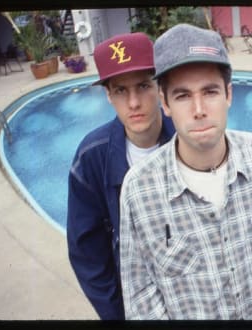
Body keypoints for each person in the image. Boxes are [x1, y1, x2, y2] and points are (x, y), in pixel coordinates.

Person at [119, 23, 252, 319]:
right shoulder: (140, 188)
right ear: (165, 103)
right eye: (182, 96)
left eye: (210, 92)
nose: (198, 109)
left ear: (229, 95)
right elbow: (141, 294)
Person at [67, 32, 175, 320]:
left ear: (160, 85)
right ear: (108, 95)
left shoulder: (187, 138)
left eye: (143, 85)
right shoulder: (91, 157)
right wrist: (117, 315)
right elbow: (87, 253)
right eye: (120, 91)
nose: (134, 103)